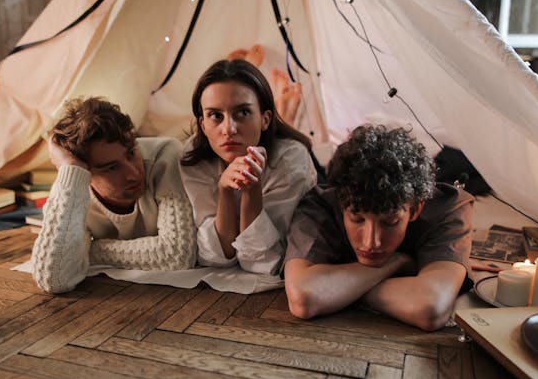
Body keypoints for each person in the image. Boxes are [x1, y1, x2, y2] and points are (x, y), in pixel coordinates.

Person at [284, 124, 474, 331]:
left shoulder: (449, 208)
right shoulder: (319, 206)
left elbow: (430, 309)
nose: (371, 242)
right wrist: (395, 262)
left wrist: (338, 291)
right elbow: (304, 299)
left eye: (390, 223)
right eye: (357, 219)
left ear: (416, 208)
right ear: (341, 203)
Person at [31, 96, 196, 293]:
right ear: (86, 172)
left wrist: (92, 252)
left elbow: (178, 254)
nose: (133, 174)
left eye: (131, 154)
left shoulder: (165, 155)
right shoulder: (74, 187)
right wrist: (71, 168)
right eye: (111, 168)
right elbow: (55, 278)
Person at [180, 59, 318, 275]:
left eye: (242, 113)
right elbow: (216, 258)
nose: (229, 129)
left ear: (265, 118)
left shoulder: (291, 160)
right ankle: (286, 113)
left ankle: (286, 114)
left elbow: (265, 263)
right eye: (215, 115)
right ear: (203, 125)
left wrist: (252, 190)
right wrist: (224, 191)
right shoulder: (192, 157)